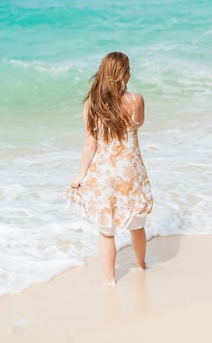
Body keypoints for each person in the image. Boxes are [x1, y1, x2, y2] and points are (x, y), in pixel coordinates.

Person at [66, 52, 153, 286]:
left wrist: (81, 174)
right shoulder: (137, 101)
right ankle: (142, 267)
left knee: (106, 231)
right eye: (128, 70)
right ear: (123, 75)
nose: (130, 73)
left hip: (104, 174)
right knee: (137, 225)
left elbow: (90, 143)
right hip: (130, 172)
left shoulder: (92, 105)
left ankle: (110, 280)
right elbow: (139, 124)